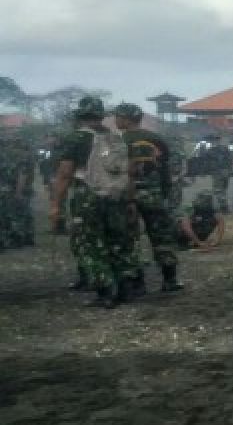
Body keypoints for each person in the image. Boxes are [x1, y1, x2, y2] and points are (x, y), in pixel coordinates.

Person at [49, 96, 138, 308]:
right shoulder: (116, 138)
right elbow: (131, 172)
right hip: (115, 196)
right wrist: (130, 200)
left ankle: (106, 290)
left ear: (80, 115)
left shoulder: (75, 139)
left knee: (90, 244)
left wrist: (55, 205)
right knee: (117, 241)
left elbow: (65, 174)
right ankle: (125, 287)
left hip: (87, 196)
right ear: (100, 115)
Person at [113, 103, 182, 293]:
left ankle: (137, 282)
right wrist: (165, 191)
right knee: (162, 236)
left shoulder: (117, 141)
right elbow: (166, 169)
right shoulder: (156, 139)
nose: (115, 120)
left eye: (118, 116)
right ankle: (170, 279)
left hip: (129, 194)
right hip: (154, 193)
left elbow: (119, 172)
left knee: (130, 238)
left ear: (126, 119)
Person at [207, 134, 233, 213]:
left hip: (217, 172)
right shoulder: (225, 148)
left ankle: (224, 207)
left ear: (213, 141)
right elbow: (231, 160)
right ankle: (223, 205)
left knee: (218, 190)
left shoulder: (210, 151)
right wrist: (231, 170)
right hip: (226, 172)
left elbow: (207, 163)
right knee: (224, 189)